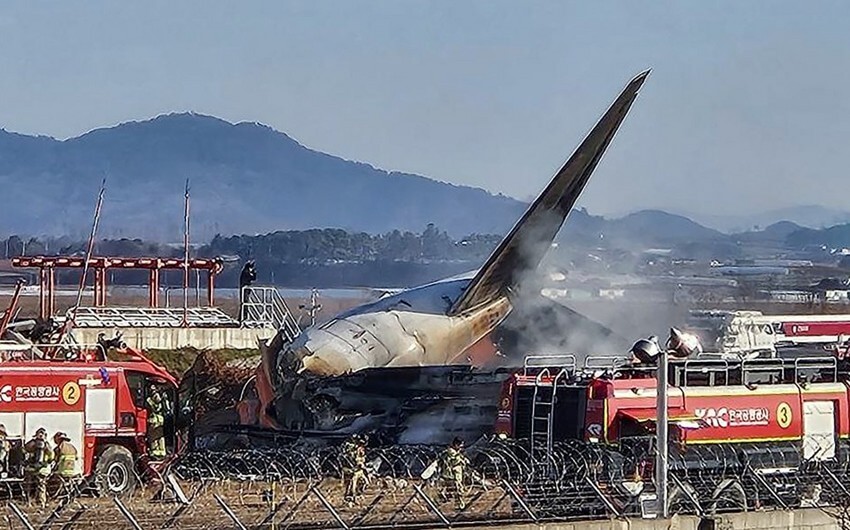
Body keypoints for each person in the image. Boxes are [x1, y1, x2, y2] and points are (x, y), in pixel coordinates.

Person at [24, 428, 53, 507]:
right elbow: (25, 448)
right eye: (39, 434)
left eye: (42, 434)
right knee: (29, 486)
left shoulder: (47, 445)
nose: (40, 436)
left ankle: (41, 503)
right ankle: (28, 502)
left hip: (41, 470)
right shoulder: (32, 444)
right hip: (32, 469)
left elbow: (51, 456)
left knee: (41, 486)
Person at [438, 437, 470, 509]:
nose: (461, 447)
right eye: (460, 445)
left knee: (451, 487)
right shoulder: (451, 451)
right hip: (453, 472)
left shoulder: (455, 451)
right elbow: (455, 460)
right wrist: (462, 460)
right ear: (456, 444)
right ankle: (460, 504)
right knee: (458, 487)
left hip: (454, 472)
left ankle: (444, 498)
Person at [341, 434, 368, 504]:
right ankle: (351, 498)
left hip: (359, 470)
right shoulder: (351, 448)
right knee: (351, 485)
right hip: (352, 470)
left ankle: (357, 495)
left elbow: (362, 458)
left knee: (365, 483)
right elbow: (351, 458)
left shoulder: (361, 449)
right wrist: (359, 462)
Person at [146, 386, 168, 459]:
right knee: (159, 437)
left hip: (155, 420)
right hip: (159, 420)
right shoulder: (160, 396)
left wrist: (149, 401)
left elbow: (156, 407)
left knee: (154, 438)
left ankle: (155, 452)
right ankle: (161, 452)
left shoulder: (153, 398)